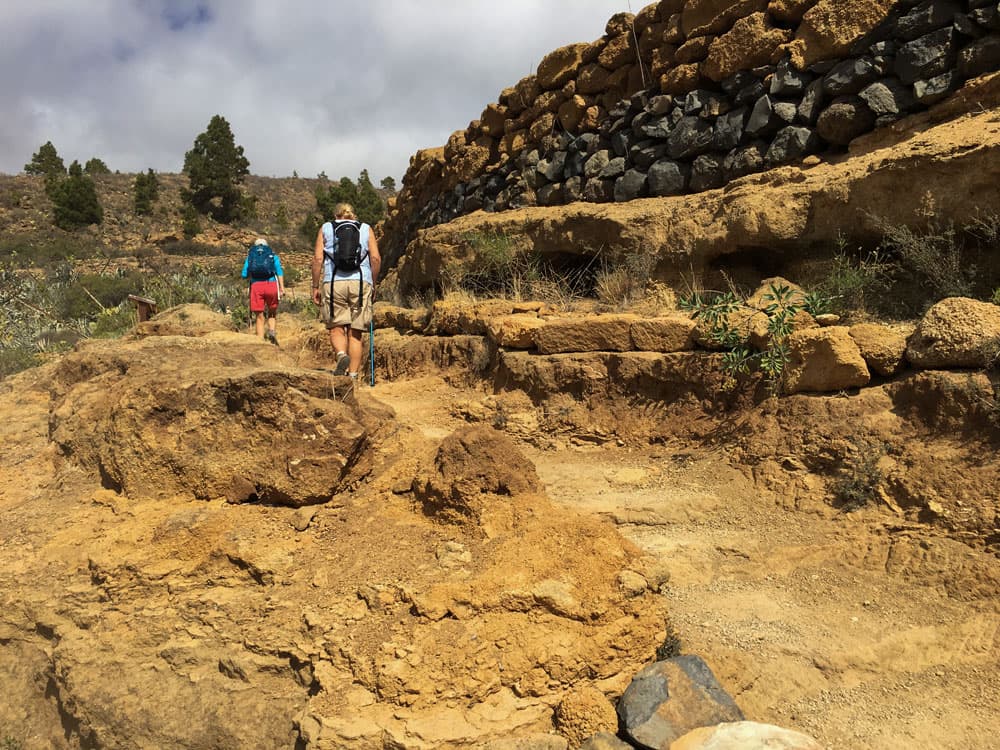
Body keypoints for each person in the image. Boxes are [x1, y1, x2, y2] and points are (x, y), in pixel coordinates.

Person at [312, 202, 381, 380]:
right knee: (355, 332)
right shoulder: (366, 228)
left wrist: (314, 286)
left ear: (336, 215)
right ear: (353, 215)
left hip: (333, 282)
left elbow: (318, 259)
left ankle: (342, 355)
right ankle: (352, 377)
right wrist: (373, 283)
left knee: (336, 328)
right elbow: (375, 258)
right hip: (360, 282)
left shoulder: (326, 228)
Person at [242, 237, 285, 345]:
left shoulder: (251, 256)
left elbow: (244, 274)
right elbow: (279, 272)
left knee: (259, 316)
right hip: (271, 285)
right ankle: (271, 331)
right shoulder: (273, 256)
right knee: (272, 312)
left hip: (256, 286)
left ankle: (260, 342)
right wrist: (282, 288)